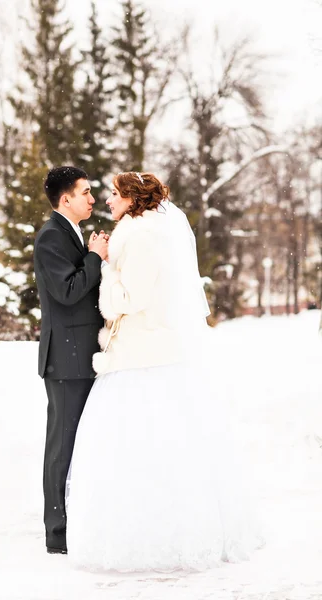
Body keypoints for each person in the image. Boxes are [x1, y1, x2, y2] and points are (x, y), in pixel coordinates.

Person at [66, 171, 262, 571]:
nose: (107, 200)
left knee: (143, 445)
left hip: (143, 355)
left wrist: (102, 268)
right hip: (140, 351)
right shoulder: (140, 229)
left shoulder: (141, 235)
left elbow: (133, 297)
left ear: (133, 198)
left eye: (115, 194)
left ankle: (156, 537)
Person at [33, 166, 108, 555]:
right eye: (85, 192)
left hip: (82, 355)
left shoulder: (70, 233)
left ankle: (74, 523)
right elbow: (67, 291)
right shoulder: (50, 237)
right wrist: (95, 257)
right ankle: (57, 534)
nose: (92, 199)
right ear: (66, 199)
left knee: (78, 444)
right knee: (62, 446)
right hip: (66, 359)